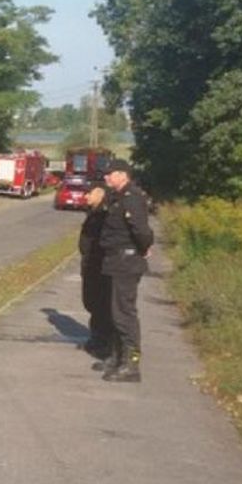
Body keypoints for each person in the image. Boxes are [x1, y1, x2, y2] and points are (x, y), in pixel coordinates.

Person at [98, 159, 154, 382]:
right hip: (115, 260)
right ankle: (117, 356)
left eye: (109, 174)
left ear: (122, 175)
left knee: (124, 313)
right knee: (114, 311)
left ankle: (131, 364)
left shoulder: (132, 198)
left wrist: (144, 247)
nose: (106, 177)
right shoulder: (118, 197)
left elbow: (142, 231)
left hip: (126, 261)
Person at [78, 185, 113, 362]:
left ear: (99, 194)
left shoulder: (103, 215)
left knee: (99, 304)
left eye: (89, 193)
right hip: (89, 263)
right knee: (90, 301)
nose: (85, 196)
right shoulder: (92, 212)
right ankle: (96, 336)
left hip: (97, 264)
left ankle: (102, 340)